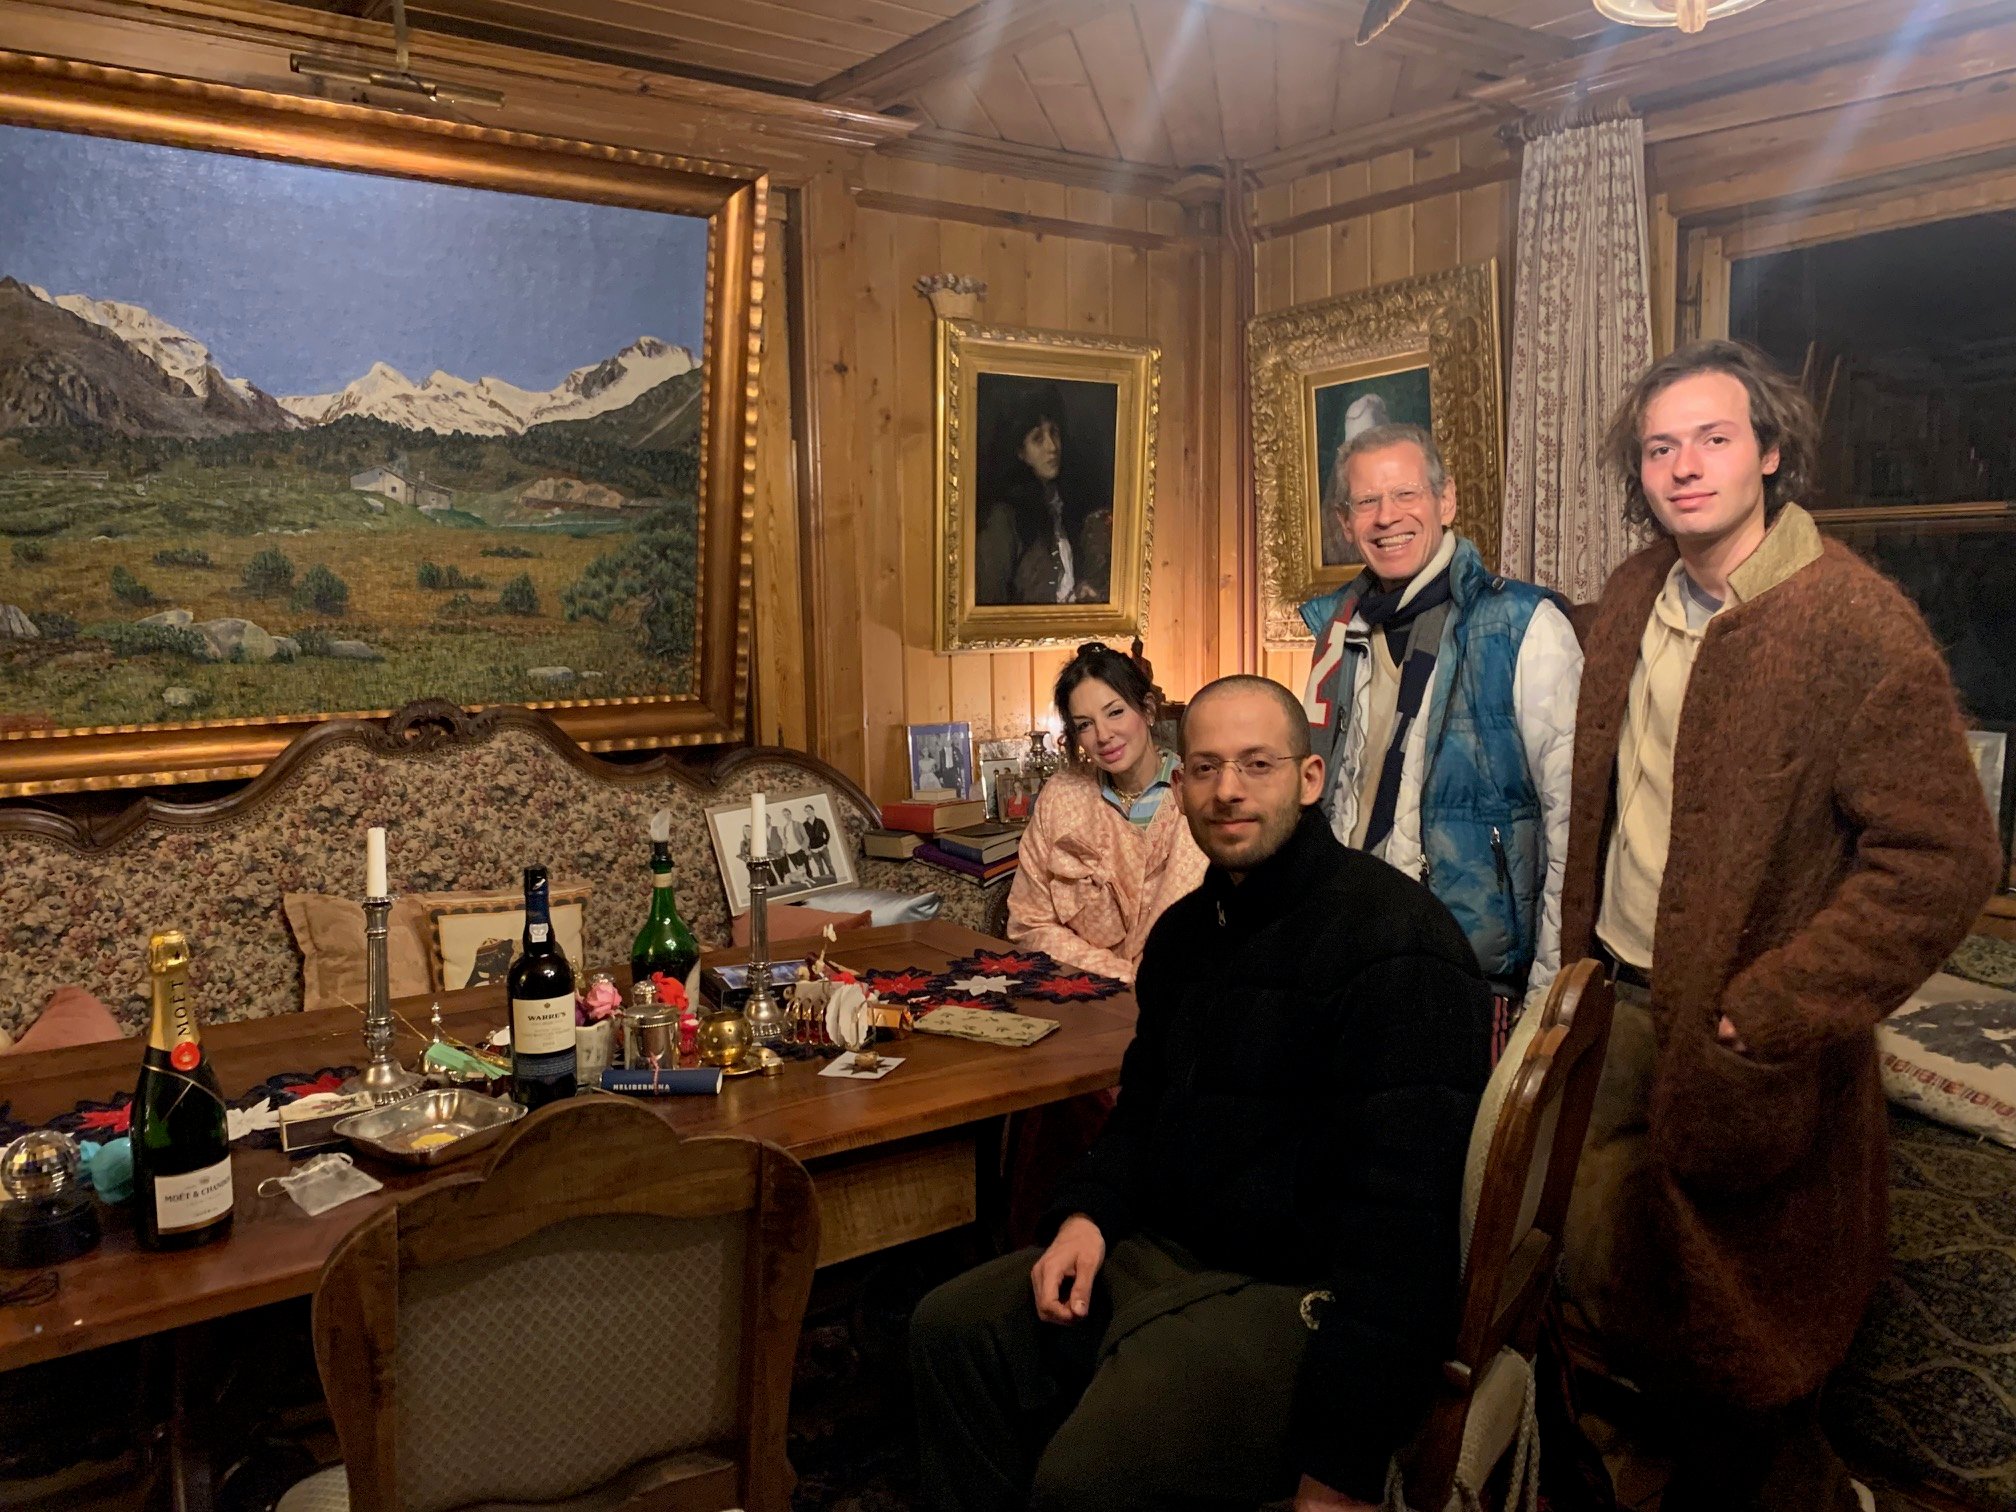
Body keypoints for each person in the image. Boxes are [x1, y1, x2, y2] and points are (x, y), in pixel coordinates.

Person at [1559, 339, 2001, 1511]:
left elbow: (1945, 860)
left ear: (1769, 450)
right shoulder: (1630, 599)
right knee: (1593, 1272)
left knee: (1748, 1336)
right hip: (1612, 998)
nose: (1685, 466)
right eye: (1660, 447)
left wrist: (1772, 1009)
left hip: (1743, 1035)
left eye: (1713, 438)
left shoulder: (1853, 624)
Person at [914, 675, 1492, 1512]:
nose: (1229, 790)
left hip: (1297, 1291)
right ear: (1179, 786)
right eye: (1208, 767)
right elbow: (1141, 1117)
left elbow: (1406, 1238)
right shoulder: (1186, 936)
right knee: (951, 1328)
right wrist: (1086, 1216)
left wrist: (1341, 1474)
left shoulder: (1396, 944)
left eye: (1257, 764)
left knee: (1090, 1477)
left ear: (1310, 779)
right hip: (1173, 1247)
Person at [1301, 422, 1580, 1020]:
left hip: (1473, 983)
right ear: (1346, 522)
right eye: (1367, 502)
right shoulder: (1337, 634)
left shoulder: (1523, 626)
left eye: (1405, 494)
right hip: (1353, 961)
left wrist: (1546, 1006)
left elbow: (1572, 829)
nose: (1386, 517)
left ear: (1445, 500)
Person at [1006, 642, 1205, 984]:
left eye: (1115, 713)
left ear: (1147, 709)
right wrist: (1120, 974)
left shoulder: (1201, 797)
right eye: (1084, 725)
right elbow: (1029, 923)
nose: (1103, 736)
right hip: (1086, 998)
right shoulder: (1061, 799)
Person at [973, 382, 1112, 606]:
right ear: (1021, 452)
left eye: (1054, 433)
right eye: (1038, 439)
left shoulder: (1064, 508)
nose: (1052, 446)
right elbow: (990, 601)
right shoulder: (1004, 519)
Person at [802, 804, 835, 882]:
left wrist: (825, 844)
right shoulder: (804, 824)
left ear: (813, 810)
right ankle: (825, 882)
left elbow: (827, 833)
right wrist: (808, 849)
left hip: (823, 848)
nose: (808, 812)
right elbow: (805, 839)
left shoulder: (820, 821)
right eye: (806, 811)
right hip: (813, 850)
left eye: (809, 810)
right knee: (820, 867)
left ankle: (834, 881)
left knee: (829, 865)